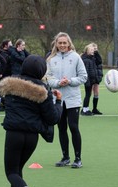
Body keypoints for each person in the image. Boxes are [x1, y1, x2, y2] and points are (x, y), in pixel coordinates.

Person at [0, 55, 62, 187]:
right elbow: (52, 118)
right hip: (32, 137)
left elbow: (2, 101)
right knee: (17, 170)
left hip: (14, 134)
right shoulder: (43, 91)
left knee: (11, 171)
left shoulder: (9, 85)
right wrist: (58, 102)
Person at [45, 32, 87, 168]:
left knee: (74, 127)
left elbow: (83, 76)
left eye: (65, 43)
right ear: (56, 44)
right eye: (60, 43)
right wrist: (57, 83)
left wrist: (69, 81)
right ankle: (65, 157)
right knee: (61, 128)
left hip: (72, 98)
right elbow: (47, 78)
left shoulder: (75, 57)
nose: (62, 45)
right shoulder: (51, 59)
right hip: (57, 99)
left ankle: (78, 158)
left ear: (69, 43)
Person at [81, 43, 99, 116]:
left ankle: (86, 109)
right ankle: (85, 109)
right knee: (87, 95)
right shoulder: (86, 60)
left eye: (93, 50)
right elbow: (86, 72)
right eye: (91, 50)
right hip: (88, 81)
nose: (93, 51)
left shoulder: (92, 59)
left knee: (89, 94)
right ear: (87, 51)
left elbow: (98, 62)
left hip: (92, 80)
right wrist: (87, 81)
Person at [91, 43, 103, 115]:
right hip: (91, 76)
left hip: (97, 76)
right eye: (93, 49)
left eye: (96, 49)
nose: (95, 50)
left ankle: (94, 108)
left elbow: (99, 62)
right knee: (89, 93)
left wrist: (100, 76)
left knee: (96, 92)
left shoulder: (97, 56)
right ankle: (85, 108)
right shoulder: (88, 56)